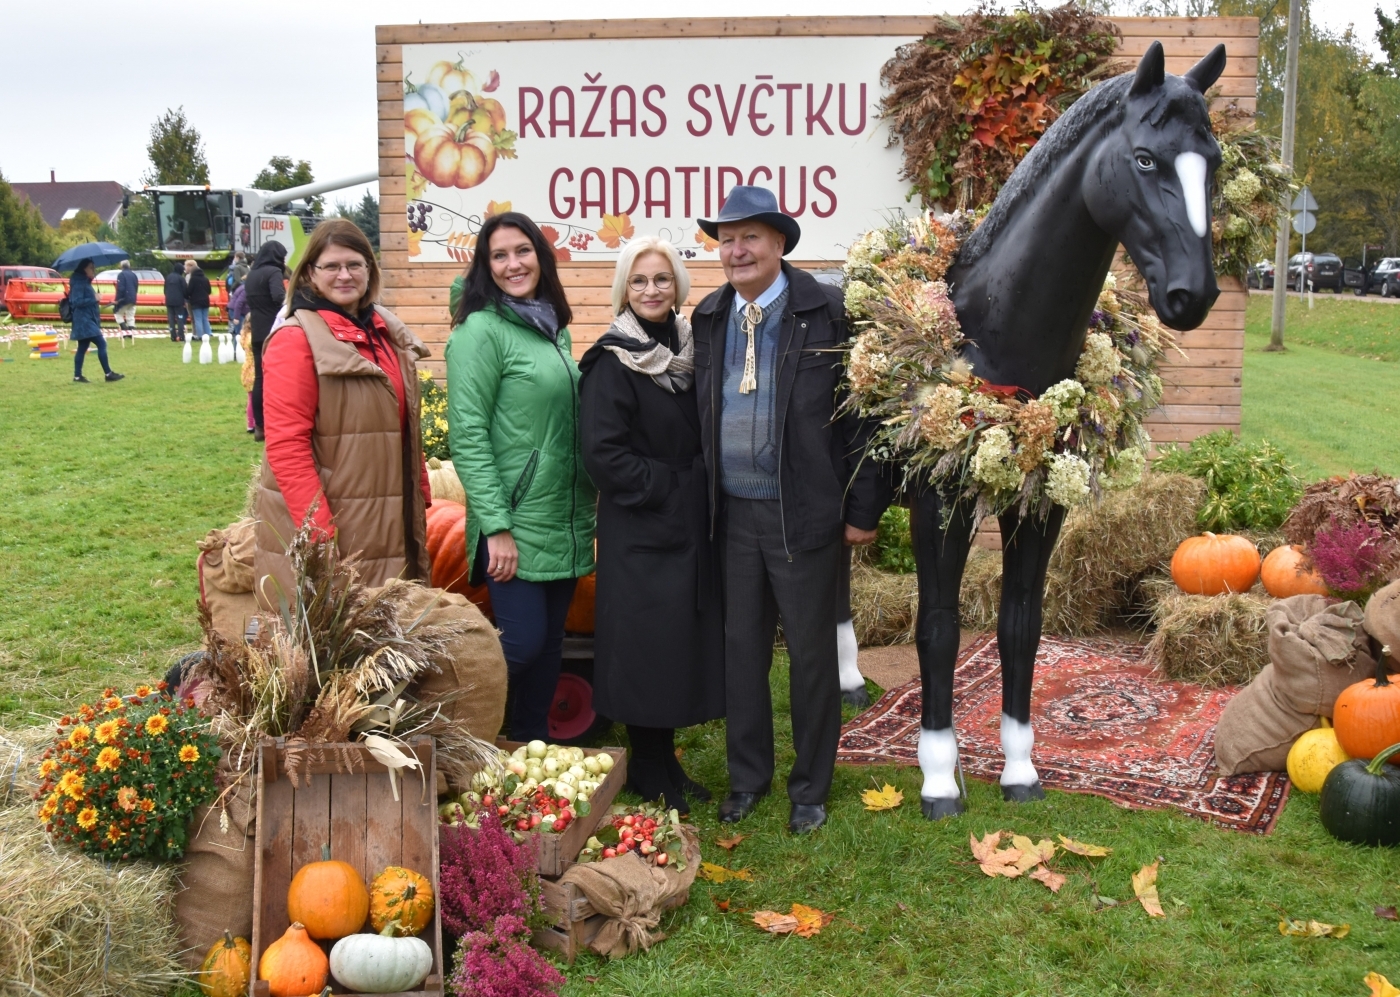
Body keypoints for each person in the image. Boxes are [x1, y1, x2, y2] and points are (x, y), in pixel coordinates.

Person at [690, 186, 886, 835]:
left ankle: (811, 785)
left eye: (749, 236)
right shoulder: (711, 315)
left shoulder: (825, 310)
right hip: (734, 515)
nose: (736, 249)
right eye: (726, 238)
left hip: (801, 511)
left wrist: (862, 507)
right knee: (741, 649)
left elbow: (863, 417)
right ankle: (747, 778)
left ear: (779, 243)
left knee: (809, 653)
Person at [578, 236, 723, 815]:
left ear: (678, 286)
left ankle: (666, 763)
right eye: (639, 281)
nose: (652, 290)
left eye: (662, 279)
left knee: (674, 648)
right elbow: (602, 454)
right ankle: (646, 767)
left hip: (687, 527)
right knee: (644, 649)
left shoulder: (692, 351)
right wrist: (671, 488)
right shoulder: (612, 361)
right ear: (623, 289)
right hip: (641, 527)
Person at [445, 212, 596, 743]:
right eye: (500, 255)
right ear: (486, 267)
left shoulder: (553, 325)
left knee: (550, 644)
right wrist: (496, 526)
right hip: (514, 519)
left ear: (541, 255)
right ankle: (447, 731)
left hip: (563, 515)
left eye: (522, 251)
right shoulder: (480, 331)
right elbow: (467, 435)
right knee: (522, 643)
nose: (514, 264)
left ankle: (530, 744)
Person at [251, 218, 433, 605]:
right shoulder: (296, 339)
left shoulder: (385, 334)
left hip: (388, 514)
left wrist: (419, 491)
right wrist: (318, 533)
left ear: (371, 270)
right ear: (310, 274)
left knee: (387, 631)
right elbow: (286, 448)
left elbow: (401, 423)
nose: (344, 275)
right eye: (331, 266)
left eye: (355, 265)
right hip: (334, 523)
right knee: (343, 640)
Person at [245, 241, 289, 442]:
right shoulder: (273, 272)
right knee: (279, 378)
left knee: (259, 380)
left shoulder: (252, 274)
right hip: (274, 329)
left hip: (256, 329)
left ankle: (259, 426)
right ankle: (277, 423)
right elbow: (278, 297)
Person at [69, 259, 123, 383]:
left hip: (87, 318)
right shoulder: (78, 283)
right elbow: (76, 302)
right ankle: (108, 374)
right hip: (84, 320)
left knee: (83, 347)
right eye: (91, 268)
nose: (93, 270)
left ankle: (77, 376)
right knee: (101, 344)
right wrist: (94, 298)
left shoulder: (84, 281)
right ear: (84, 269)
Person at [184, 260, 213, 342]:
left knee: (198, 319)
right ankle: (208, 334)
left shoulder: (193, 279)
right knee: (205, 318)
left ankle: (199, 336)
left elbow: (189, 291)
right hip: (206, 301)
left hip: (196, 302)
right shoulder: (205, 279)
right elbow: (209, 291)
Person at [113, 260, 139, 341]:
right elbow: (136, 287)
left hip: (124, 298)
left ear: (122, 266)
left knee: (117, 314)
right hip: (133, 298)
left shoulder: (121, 275)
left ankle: (125, 331)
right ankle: (131, 334)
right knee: (130, 316)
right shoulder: (134, 275)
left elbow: (120, 288)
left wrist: (117, 300)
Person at [163, 262, 187, 342]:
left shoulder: (168, 277)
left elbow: (165, 290)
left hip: (169, 301)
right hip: (179, 302)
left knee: (171, 319)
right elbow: (185, 290)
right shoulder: (181, 278)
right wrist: (185, 299)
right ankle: (180, 335)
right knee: (180, 318)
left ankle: (173, 335)